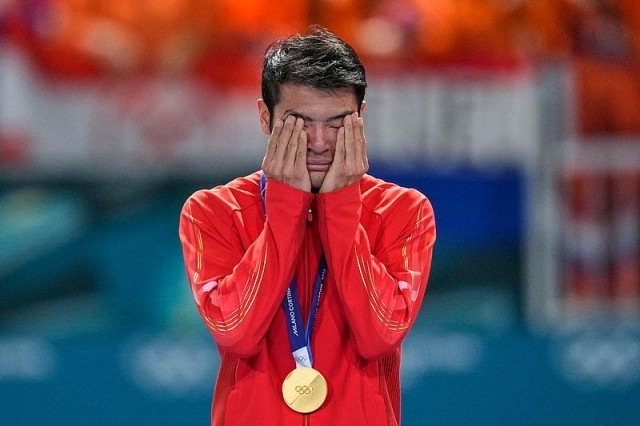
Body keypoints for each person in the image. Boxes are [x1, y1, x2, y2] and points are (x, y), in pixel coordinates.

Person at [179, 26, 436, 426]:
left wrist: (341, 205)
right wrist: (286, 207)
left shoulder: (403, 211)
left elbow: (380, 335)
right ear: (265, 117)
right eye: (298, 122)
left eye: (337, 124)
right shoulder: (212, 211)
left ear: (361, 118)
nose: (319, 142)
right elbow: (235, 332)